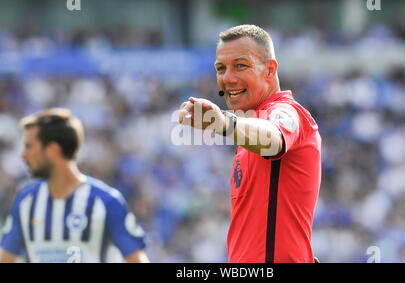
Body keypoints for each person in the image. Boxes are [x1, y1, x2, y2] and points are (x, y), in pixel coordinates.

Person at [178, 25, 321, 263]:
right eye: (221, 68)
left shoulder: (286, 111)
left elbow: (274, 138)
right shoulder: (249, 128)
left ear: (269, 70)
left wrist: (222, 122)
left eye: (240, 66)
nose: (227, 78)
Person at [0, 108, 150, 263]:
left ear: (52, 150)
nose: (24, 155)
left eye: (29, 147)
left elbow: (137, 259)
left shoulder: (107, 202)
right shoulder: (26, 201)